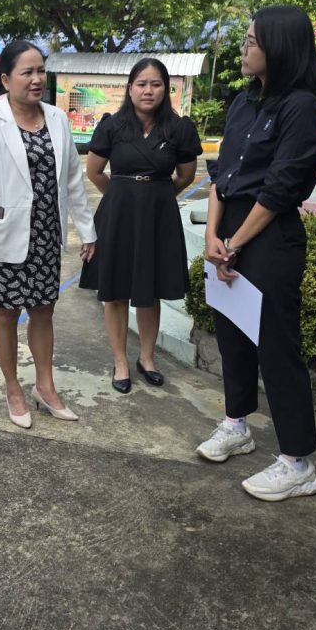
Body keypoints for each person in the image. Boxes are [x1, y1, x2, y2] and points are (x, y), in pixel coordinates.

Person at [195, 5, 316, 502]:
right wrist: (213, 237)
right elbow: (221, 177)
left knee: (276, 345)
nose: (244, 48)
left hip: (269, 237)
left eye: (251, 41)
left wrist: (234, 243)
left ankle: (297, 462)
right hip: (228, 232)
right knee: (231, 334)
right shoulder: (243, 101)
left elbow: (279, 190)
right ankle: (236, 424)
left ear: (279, 47)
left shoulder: (301, 108)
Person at [0, 40, 96, 428]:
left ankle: (45, 387)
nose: (37, 79)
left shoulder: (58, 119)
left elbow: (73, 179)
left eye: (41, 71)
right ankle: (13, 388)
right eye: (27, 72)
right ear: (5, 79)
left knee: (43, 311)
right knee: (6, 313)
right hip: (3, 236)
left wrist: (88, 230)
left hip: (47, 235)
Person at [79, 58, 201, 392]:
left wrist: (157, 197)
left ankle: (147, 358)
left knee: (151, 290)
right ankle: (120, 362)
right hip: (118, 216)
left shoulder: (179, 128)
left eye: (156, 84)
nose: (149, 91)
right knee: (116, 291)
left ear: (166, 89)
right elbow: (94, 172)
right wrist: (122, 195)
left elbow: (185, 176)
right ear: (130, 88)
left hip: (159, 218)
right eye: (142, 84)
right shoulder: (112, 126)